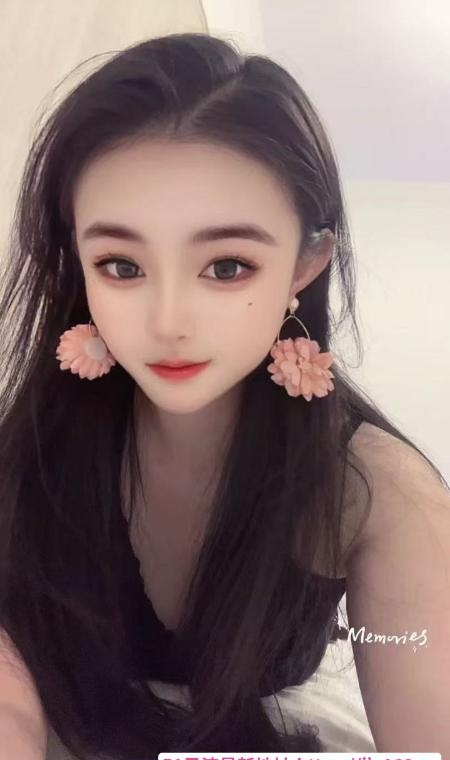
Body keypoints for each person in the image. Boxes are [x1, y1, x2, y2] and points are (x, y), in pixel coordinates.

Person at [0, 31, 449, 759]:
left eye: (228, 266)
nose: (168, 322)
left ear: (306, 263)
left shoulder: (375, 493)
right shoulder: (34, 454)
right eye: (121, 266)